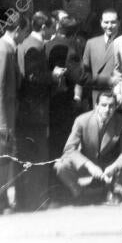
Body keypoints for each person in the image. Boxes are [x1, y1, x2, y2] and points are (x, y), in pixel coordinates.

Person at [16, 11, 64, 210]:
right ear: (44, 27)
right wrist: (53, 75)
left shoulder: (25, 44)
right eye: (53, 27)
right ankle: (34, 201)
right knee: (36, 155)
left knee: (28, 155)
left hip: (27, 111)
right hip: (34, 111)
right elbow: (33, 77)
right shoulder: (34, 47)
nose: (54, 31)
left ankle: (27, 199)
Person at [54, 92, 122, 204]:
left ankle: (116, 192)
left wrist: (114, 167)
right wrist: (89, 166)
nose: (107, 109)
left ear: (116, 107)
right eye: (103, 105)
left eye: (111, 106)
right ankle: (80, 194)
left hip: (109, 166)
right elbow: (69, 149)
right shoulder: (82, 120)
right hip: (88, 163)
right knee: (60, 165)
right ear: (96, 106)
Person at [0, 13, 26, 214]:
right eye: (25, 31)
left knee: (2, 162)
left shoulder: (6, 49)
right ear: (18, 30)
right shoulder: (2, 51)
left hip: (4, 119)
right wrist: (2, 123)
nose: (25, 36)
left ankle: (1, 201)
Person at [45, 17, 85, 160]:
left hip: (49, 99)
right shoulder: (73, 47)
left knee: (52, 140)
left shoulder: (46, 45)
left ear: (58, 27)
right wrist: (78, 97)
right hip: (66, 99)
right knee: (66, 139)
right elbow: (78, 75)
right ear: (74, 33)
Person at [81, 9, 119, 107]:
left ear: (119, 23)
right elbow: (84, 73)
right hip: (97, 96)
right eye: (106, 22)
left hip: (118, 94)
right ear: (101, 23)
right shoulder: (91, 43)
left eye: (113, 22)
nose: (109, 26)